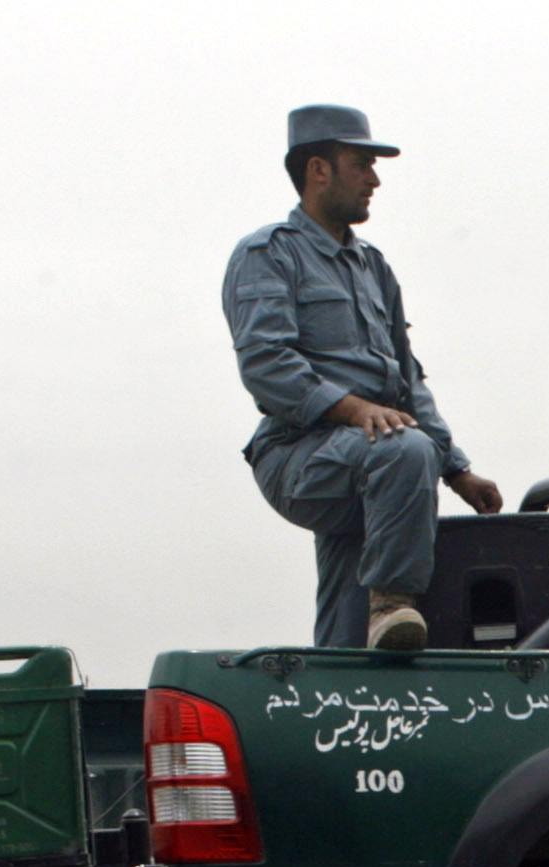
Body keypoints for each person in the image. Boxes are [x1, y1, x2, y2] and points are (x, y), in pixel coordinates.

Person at [224, 103, 502, 651]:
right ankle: (394, 601)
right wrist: (354, 410)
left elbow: (407, 383)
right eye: (362, 163)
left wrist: (457, 470)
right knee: (404, 451)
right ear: (318, 170)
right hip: (298, 452)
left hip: (371, 455)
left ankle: (343, 681)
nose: (374, 179)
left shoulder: (374, 269)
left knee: (351, 607)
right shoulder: (269, 255)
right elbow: (265, 364)